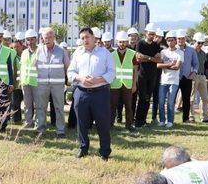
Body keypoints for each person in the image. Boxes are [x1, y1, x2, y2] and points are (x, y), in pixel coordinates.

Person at [67, 27, 116, 160]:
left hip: (100, 93)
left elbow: (112, 72)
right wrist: (81, 78)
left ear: (94, 37)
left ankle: (104, 151)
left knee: (102, 123)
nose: (85, 40)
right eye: (82, 38)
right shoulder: (77, 53)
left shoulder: (105, 53)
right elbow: (70, 73)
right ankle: (83, 148)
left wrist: (97, 80)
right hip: (81, 93)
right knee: (81, 123)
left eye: (87, 37)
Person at [35, 27, 70, 137]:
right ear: (42, 38)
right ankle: (41, 129)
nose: (48, 39)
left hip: (58, 85)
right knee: (41, 107)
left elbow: (67, 67)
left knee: (59, 107)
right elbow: (35, 66)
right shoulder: (39, 51)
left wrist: (66, 81)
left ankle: (60, 130)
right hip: (42, 84)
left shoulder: (62, 51)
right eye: (46, 37)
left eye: (50, 37)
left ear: (54, 38)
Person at [134, 23, 162, 128]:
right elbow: (138, 58)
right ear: (146, 33)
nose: (152, 36)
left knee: (147, 99)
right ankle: (137, 122)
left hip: (152, 75)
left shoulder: (156, 45)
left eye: (154, 34)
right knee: (141, 98)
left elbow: (159, 60)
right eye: (150, 34)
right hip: (142, 75)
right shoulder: (140, 43)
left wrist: (147, 57)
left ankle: (144, 121)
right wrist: (151, 58)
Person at [110, 31, 137, 132]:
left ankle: (129, 125)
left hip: (128, 84)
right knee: (112, 105)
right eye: (120, 42)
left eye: (124, 42)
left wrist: (134, 84)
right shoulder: (111, 54)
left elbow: (135, 70)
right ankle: (110, 124)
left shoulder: (132, 54)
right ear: (117, 42)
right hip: (114, 84)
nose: (122, 44)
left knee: (129, 106)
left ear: (127, 42)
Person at [157, 31, 183, 128]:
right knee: (161, 101)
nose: (170, 42)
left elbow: (177, 67)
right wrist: (170, 64)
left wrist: (165, 65)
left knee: (170, 102)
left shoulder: (180, 53)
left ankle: (170, 121)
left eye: (172, 40)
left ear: (175, 41)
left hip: (174, 81)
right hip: (163, 81)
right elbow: (158, 65)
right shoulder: (163, 52)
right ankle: (162, 120)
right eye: (168, 40)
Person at [176, 29, 198, 123]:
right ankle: (170, 119)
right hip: (175, 77)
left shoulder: (191, 50)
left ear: (185, 39)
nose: (180, 40)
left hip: (187, 77)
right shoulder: (174, 49)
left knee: (186, 99)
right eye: (179, 39)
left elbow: (196, 63)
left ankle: (185, 118)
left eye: (182, 38)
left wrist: (193, 73)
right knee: (172, 99)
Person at [20, 29, 39, 128]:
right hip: (25, 82)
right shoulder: (24, 53)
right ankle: (28, 122)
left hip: (37, 82)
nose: (30, 42)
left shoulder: (41, 52)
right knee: (27, 104)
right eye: (28, 40)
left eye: (32, 39)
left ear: (36, 39)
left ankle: (37, 123)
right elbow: (22, 67)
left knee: (38, 105)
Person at [192, 33, 208, 123]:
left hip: (202, 76)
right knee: (192, 98)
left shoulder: (203, 53)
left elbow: (205, 65)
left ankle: (205, 117)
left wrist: (205, 76)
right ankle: (191, 117)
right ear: (194, 41)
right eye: (199, 42)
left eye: (202, 43)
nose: (200, 45)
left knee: (205, 98)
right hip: (193, 76)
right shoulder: (190, 51)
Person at [10, 36, 25, 124]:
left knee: (27, 103)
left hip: (24, 83)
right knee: (15, 103)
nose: (15, 49)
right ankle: (16, 119)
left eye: (17, 47)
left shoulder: (25, 55)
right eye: (14, 47)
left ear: (22, 46)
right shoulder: (12, 57)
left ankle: (28, 119)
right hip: (15, 84)